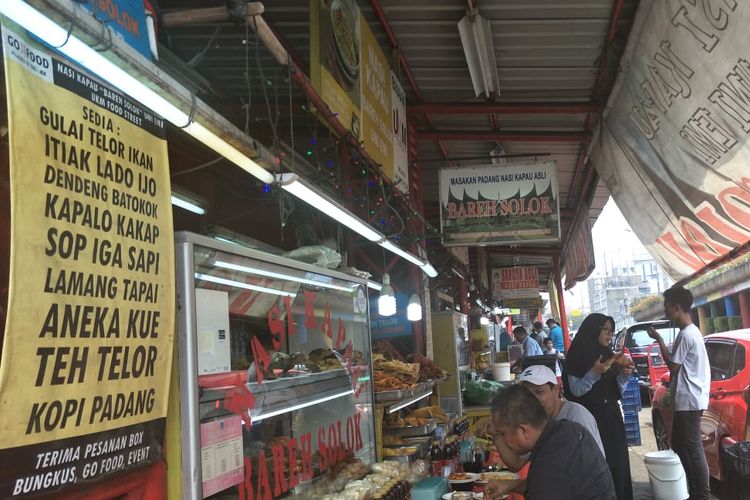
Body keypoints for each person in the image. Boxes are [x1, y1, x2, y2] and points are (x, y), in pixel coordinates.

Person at [486, 384, 616, 500]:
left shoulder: (549, 464)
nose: (503, 439)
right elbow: (556, 485)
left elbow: (548, 481)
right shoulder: (568, 429)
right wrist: (513, 485)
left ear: (523, 430)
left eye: (503, 433)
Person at [647, 285, 710, 500]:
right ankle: (694, 491)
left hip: (689, 401)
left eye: (667, 307)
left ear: (676, 307)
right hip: (688, 399)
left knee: (693, 449)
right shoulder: (691, 332)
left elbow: (673, 368)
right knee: (682, 448)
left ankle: (702, 494)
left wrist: (660, 340)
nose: (665, 311)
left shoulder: (686, 335)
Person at [562, 313, 634, 500]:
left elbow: (612, 390)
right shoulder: (577, 354)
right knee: (597, 467)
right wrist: (594, 372)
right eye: (606, 331)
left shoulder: (609, 354)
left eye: (611, 331)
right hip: (589, 420)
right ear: (594, 330)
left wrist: (624, 376)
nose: (610, 335)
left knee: (618, 465)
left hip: (611, 417)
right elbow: (575, 390)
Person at [491, 364, 605, 475]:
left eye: (539, 392)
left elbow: (588, 469)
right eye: (528, 395)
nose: (533, 400)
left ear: (555, 390)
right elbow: (517, 463)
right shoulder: (537, 422)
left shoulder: (577, 416)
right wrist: (497, 433)